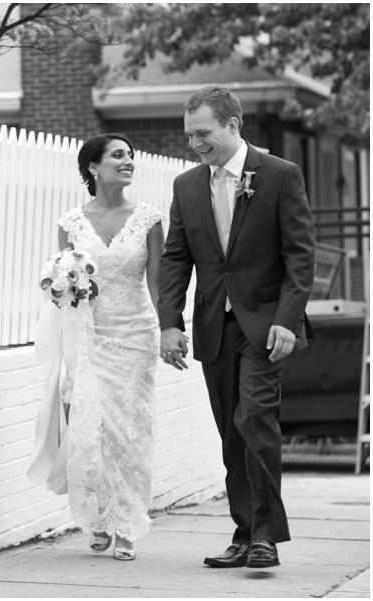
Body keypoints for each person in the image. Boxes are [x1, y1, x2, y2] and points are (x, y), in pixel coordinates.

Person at [157, 86, 315, 569]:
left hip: (267, 326)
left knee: (255, 419)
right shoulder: (186, 186)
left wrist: (288, 320)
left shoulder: (280, 175)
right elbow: (175, 260)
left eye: (203, 133)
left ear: (233, 125)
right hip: (214, 326)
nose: (195, 144)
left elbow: (300, 256)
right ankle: (244, 533)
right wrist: (169, 324)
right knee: (231, 432)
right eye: (189, 136)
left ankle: (265, 536)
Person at [27, 133, 165, 561]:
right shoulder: (71, 223)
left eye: (130, 156)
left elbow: (158, 286)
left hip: (136, 335)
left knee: (129, 433)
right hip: (89, 338)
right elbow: (62, 286)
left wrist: (171, 331)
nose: (128, 162)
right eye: (118, 155)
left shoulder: (149, 219)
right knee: (92, 430)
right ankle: (99, 518)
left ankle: (127, 525)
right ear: (93, 166)